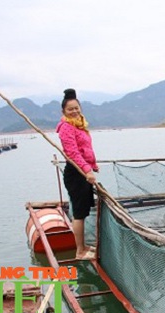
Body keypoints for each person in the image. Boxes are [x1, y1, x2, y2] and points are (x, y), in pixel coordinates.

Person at [56, 88, 99, 260]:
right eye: (70, 109)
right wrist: (87, 170)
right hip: (76, 173)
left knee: (83, 210)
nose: (74, 111)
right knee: (79, 214)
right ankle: (80, 251)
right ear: (64, 112)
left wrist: (92, 166)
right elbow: (73, 153)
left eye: (76, 108)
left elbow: (86, 149)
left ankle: (84, 246)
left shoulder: (80, 125)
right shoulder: (66, 127)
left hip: (84, 172)